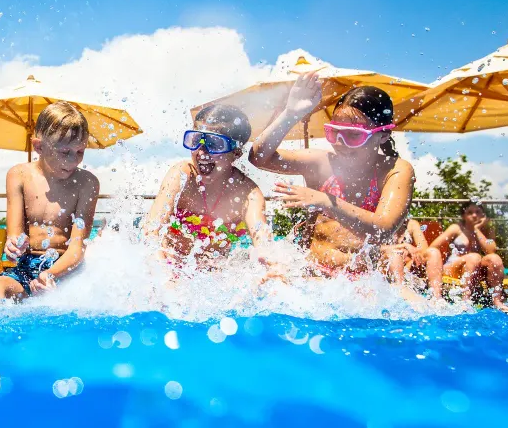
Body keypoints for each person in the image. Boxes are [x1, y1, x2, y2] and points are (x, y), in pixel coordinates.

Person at [249, 73, 415, 281]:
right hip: (312, 275)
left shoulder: (395, 170)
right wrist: (291, 113)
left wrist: (326, 202)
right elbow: (259, 158)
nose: (340, 142)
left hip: (359, 284)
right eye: (334, 132)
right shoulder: (322, 162)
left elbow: (382, 229)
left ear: (383, 135)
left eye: (354, 135)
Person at [0, 101, 100, 301]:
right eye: (65, 152)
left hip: (66, 268)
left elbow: (77, 249)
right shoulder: (19, 175)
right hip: (24, 267)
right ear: (39, 146)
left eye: (80, 152)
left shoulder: (87, 183)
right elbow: (15, 236)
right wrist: (15, 246)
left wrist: (51, 274)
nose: (73, 160)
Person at [142, 104, 271, 271]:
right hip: (169, 268)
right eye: (195, 140)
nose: (201, 151)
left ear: (236, 153)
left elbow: (264, 243)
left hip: (213, 278)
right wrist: (158, 260)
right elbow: (151, 229)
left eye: (215, 144)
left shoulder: (248, 194)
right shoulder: (182, 176)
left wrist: (271, 264)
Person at [422, 202, 508, 312]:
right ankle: (465, 301)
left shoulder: (487, 230)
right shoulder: (456, 228)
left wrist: (476, 229)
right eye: (470, 212)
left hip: (475, 267)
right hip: (453, 266)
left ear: (483, 216)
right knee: (474, 257)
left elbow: (491, 250)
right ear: (464, 216)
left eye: (478, 212)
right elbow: (433, 246)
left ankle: (497, 301)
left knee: (494, 259)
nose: (474, 215)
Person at [383, 218, 441, 298]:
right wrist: (403, 246)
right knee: (396, 254)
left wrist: (412, 252)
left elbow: (423, 250)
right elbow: (373, 247)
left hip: (407, 266)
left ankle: (437, 298)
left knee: (433, 252)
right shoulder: (379, 221)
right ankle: (400, 289)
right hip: (386, 266)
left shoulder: (411, 224)